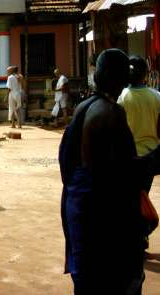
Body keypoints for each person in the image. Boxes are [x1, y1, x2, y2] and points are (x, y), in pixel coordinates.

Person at [60, 48, 160, 295]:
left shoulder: (85, 107)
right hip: (104, 220)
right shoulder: (111, 113)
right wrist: (156, 158)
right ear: (122, 78)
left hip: (80, 210)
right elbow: (123, 174)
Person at [118, 55, 160, 256]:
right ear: (146, 74)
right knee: (143, 196)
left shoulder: (123, 97)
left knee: (130, 199)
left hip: (128, 156)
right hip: (150, 156)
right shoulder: (156, 96)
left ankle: (133, 240)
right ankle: (141, 238)